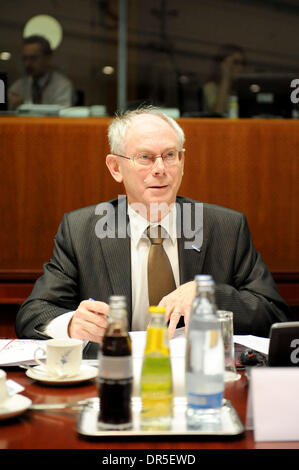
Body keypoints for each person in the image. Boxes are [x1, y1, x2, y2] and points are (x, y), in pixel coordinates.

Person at [15, 106, 290, 358]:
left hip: (198, 374)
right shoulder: (82, 231)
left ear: (182, 161)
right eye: (145, 157)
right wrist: (73, 324)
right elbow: (33, 314)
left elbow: (273, 314)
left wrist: (208, 296)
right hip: (115, 377)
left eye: (170, 155)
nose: (160, 169)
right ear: (115, 167)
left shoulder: (225, 228)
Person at [8, 35, 74, 110]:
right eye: (25, 58)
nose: (27, 64)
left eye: (33, 58)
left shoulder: (62, 86)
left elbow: (61, 114)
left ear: (48, 58)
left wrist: (24, 105)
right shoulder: (18, 86)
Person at [203, 44, 245, 115]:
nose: (240, 67)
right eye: (235, 62)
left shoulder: (241, 89)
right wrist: (225, 77)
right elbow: (217, 114)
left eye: (243, 63)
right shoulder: (211, 87)